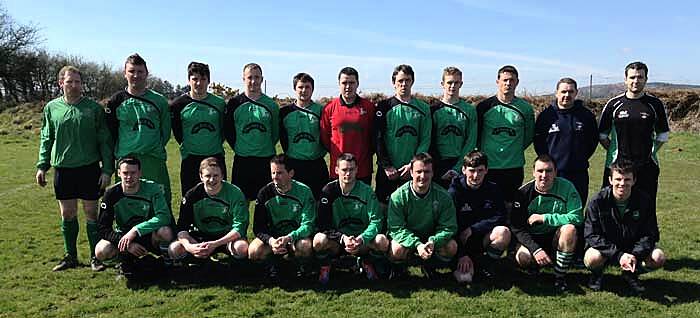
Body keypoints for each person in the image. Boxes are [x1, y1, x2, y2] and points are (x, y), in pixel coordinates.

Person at [36, 65, 114, 271]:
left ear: (82, 84)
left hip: (89, 169)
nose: (74, 85)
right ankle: (70, 256)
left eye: (77, 81)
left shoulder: (94, 108)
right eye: (69, 81)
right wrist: (42, 166)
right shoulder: (51, 108)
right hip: (63, 170)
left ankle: (94, 257)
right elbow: (46, 138)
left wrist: (107, 170)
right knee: (67, 214)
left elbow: (104, 141)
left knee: (91, 213)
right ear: (61, 83)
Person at [598, 61, 670, 243]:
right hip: (617, 167)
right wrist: (614, 152)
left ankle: (646, 244)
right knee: (611, 205)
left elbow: (663, 134)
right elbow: (602, 135)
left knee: (646, 206)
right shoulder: (614, 104)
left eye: (640, 77)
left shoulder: (654, 104)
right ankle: (608, 244)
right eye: (632, 77)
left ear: (646, 79)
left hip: (646, 167)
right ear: (625, 79)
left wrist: (651, 153)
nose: (636, 81)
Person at [584, 160, 666, 294]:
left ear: (634, 180)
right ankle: (597, 274)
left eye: (627, 179)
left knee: (658, 257)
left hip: (633, 248)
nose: (622, 183)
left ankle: (631, 273)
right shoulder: (597, 201)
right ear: (610, 180)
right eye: (618, 179)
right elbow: (591, 234)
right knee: (592, 258)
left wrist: (634, 254)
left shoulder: (644, 200)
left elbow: (650, 234)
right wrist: (618, 255)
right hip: (607, 249)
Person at [106, 53, 172, 206]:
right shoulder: (115, 101)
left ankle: (163, 230)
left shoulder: (159, 100)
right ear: (125, 73)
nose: (136, 75)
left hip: (153, 159)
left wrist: (151, 146)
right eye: (131, 71)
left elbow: (165, 131)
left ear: (147, 73)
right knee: (128, 204)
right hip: (127, 161)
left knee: (159, 202)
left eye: (140, 71)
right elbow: (111, 133)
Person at [511, 154, 583, 292]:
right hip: (533, 239)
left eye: (549, 171)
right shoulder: (523, 193)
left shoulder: (567, 187)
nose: (544, 175)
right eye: (540, 171)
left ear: (556, 172)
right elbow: (517, 228)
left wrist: (545, 218)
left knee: (569, 229)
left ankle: (560, 276)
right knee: (523, 257)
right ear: (533, 172)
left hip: (556, 238)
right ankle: (534, 267)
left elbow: (577, 217)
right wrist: (535, 249)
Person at [313, 153, 388, 284]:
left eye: (351, 169)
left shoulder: (367, 191)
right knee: (319, 240)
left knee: (381, 241)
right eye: (344, 170)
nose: (348, 173)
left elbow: (376, 221)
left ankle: (367, 262)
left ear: (357, 170)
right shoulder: (328, 191)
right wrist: (343, 238)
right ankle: (326, 266)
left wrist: (361, 238)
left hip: (360, 241)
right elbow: (323, 225)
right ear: (336, 170)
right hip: (338, 241)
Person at [95, 156, 174, 279]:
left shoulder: (153, 189)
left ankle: (168, 263)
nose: (129, 177)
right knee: (101, 250)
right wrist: (128, 244)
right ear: (119, 173)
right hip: (124, 237)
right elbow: (103, 228)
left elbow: (164, 216)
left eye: (133, 173)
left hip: (148, 235)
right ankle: (123, 264)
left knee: (165, 232)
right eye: (125, 173)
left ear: (140, 173)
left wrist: (136, 230)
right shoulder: (111, 194)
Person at [386, 153, 457, 279]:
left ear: (433, 173)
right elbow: (396, 228)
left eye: (427, 172)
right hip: (409, 239)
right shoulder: (398, 196)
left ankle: (430, 266)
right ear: (411, 173)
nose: (423, 176)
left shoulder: (443, 196)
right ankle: (400, 269)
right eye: (419, 171)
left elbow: (449, 227)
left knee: (451, 247)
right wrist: (417, 244)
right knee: (396, 249)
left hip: (431, 239)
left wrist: (433, 241)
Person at [248, 154, 316, 280]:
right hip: (274, 239)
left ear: (291, 173)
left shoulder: (304, 191)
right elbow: (258, 227)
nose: (275, 177)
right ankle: (274, 265)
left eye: (279, 173)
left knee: (305, 246)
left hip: (296, 237)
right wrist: (272, 241)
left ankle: (301, 267)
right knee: (254, 251)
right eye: (273, 173)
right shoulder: (264, 193)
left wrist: (290, 237)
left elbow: (309, 225)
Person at [169, 158, 249, 262]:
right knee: (174, 249)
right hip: (201, 237)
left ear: (222, 176)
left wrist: (215, 244)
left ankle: (234, 269)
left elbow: (240, 227)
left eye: (216, 175)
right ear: (201, 176)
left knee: (241, 247)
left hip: (226, 237)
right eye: (208, 176)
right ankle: (193, 265)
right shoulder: (192, 195)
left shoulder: (235, 193)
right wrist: (190, 247)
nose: (212, 180)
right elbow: (182, 227)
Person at [476, 65, 535, 206]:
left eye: (512, 80)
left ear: (517, 82)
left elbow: (529, 136)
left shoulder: (525, 108)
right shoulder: (484, 107)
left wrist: (513, 150)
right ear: (498, 81)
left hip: (513, 166)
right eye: (505, 80)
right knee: (488, 205)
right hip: (490, 166)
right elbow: (476, 135)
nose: (508, 83)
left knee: (510, 205)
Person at [534, 77, 598, 205]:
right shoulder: (546, 116)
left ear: (576, 93)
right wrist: (548, 164)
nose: (567, 95)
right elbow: (538, 142)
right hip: (552, 172)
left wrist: (579, 158)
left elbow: (592, 141)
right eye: (563, 91)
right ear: (556, 93)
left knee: (577, 208)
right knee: (551, 207)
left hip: (578, 172)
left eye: (570, 92)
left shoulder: (586, 116)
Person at [448, 151, 510, 283]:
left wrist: (473, 229)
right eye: (471, 170)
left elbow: (501, 216)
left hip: (481, 240)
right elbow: (448, 225)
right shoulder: (454, 191)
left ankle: (484, 265)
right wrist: (462, 254)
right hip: (460, 243)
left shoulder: (493, 189)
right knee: (464, 280)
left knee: (503, 233)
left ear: (486, 170)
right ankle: (459, 264)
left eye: (480, 170)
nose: (476, 176)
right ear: (463, 170)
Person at [375, 64, 432, 205]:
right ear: (393, 83)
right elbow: (378, 138)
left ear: (412, 81)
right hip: (389, 170)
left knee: (411, 206)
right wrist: (387, 166)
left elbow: (425, 138)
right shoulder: (383, 107)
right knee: (384, 207)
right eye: (400, 81)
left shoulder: (423, 108)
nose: (404, 84)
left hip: (413, 169)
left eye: (407, 80)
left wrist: (413, 165)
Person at [223, 63, 280, 202]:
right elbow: (228, 131)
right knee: (241, 202)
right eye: (250, 77)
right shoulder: (234, 103)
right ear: (243, 79)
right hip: (243, 160)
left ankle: (263, 225)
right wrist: (239, 147)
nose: (253, 81)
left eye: (257, 77)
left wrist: (263, 146)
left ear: (262, 79)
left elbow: (275, 133)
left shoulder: (271, 105)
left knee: (267, 202)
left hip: (266, 160)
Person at [170, 62, 227, 195]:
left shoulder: (219, 104)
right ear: (189, 80)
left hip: (215, 157)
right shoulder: (178, 105)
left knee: (219, 198)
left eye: (203, 79)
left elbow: (224, 130)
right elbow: (177, 132)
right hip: (190, 159)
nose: (199, 83)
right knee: (191, 198)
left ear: (209, 81)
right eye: (195, 79)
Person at [320, 67, 375, 185]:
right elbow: (325, 138)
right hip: (339, 170)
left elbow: (374, 137)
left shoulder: (369, 107)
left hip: (362, 169)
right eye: (344, 83)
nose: (348, 86)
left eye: (352, 82)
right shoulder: (329, 108)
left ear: (357, 84)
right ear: (339, 84)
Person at [280, 73, 328, 199]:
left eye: (307, 87)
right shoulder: (285, 112)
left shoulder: (322, 111)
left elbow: (327, 135)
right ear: (294, 88)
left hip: (316, 164)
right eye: (300, 87)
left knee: (318, 201)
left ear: (313, 89)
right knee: (295, 200)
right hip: (293, 163)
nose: (304, 90)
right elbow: (280, 136)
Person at [430, 67, 477, 189]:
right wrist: (439, 167)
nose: (453, 86)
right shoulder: (433, 110)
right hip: (438, 164)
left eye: (456, 82)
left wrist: (458, 167)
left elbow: (471, 141)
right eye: (449, 82)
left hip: (461, 164)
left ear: (461, 84)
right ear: (442, 84)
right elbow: (430, 141)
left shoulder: (469, 110)